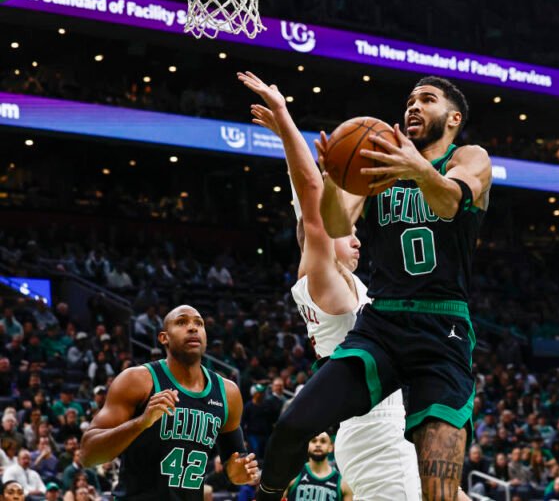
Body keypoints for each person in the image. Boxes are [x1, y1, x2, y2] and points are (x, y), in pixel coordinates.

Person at [245, 73, 492, 501]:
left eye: (426, 100)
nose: (413, 106)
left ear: (453, 117)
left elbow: (451, 201)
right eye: (410, 100)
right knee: (293, 425)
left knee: (439, 494)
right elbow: (337, 222)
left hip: (443, 328)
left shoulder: (467, 156)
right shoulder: (376, 170)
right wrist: (335, 176)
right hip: (384, 322)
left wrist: (414, 165)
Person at [239, 71, 421, 500]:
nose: (356, 236)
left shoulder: (340, 279)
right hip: (377, 436)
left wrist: (295, 146)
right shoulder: (323, 281)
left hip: (378, 430)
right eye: (346, 233)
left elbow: (309, 201)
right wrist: (284, 119)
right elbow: (310, 199)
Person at [80, 304, 260, 499]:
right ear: (164, 338)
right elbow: (88, 455)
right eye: (182, 322)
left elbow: (233, 463)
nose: (193, 328)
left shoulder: (228, 392)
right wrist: (142, 423)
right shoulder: (137, 381)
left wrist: (237, 473)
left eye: (199, 323)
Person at [284, 432, 352, 501]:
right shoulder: (293, 476)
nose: (318, 444)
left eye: (323, 441)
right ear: (307, 446)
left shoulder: (342, 483)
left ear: (330, 447)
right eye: (314, 441)